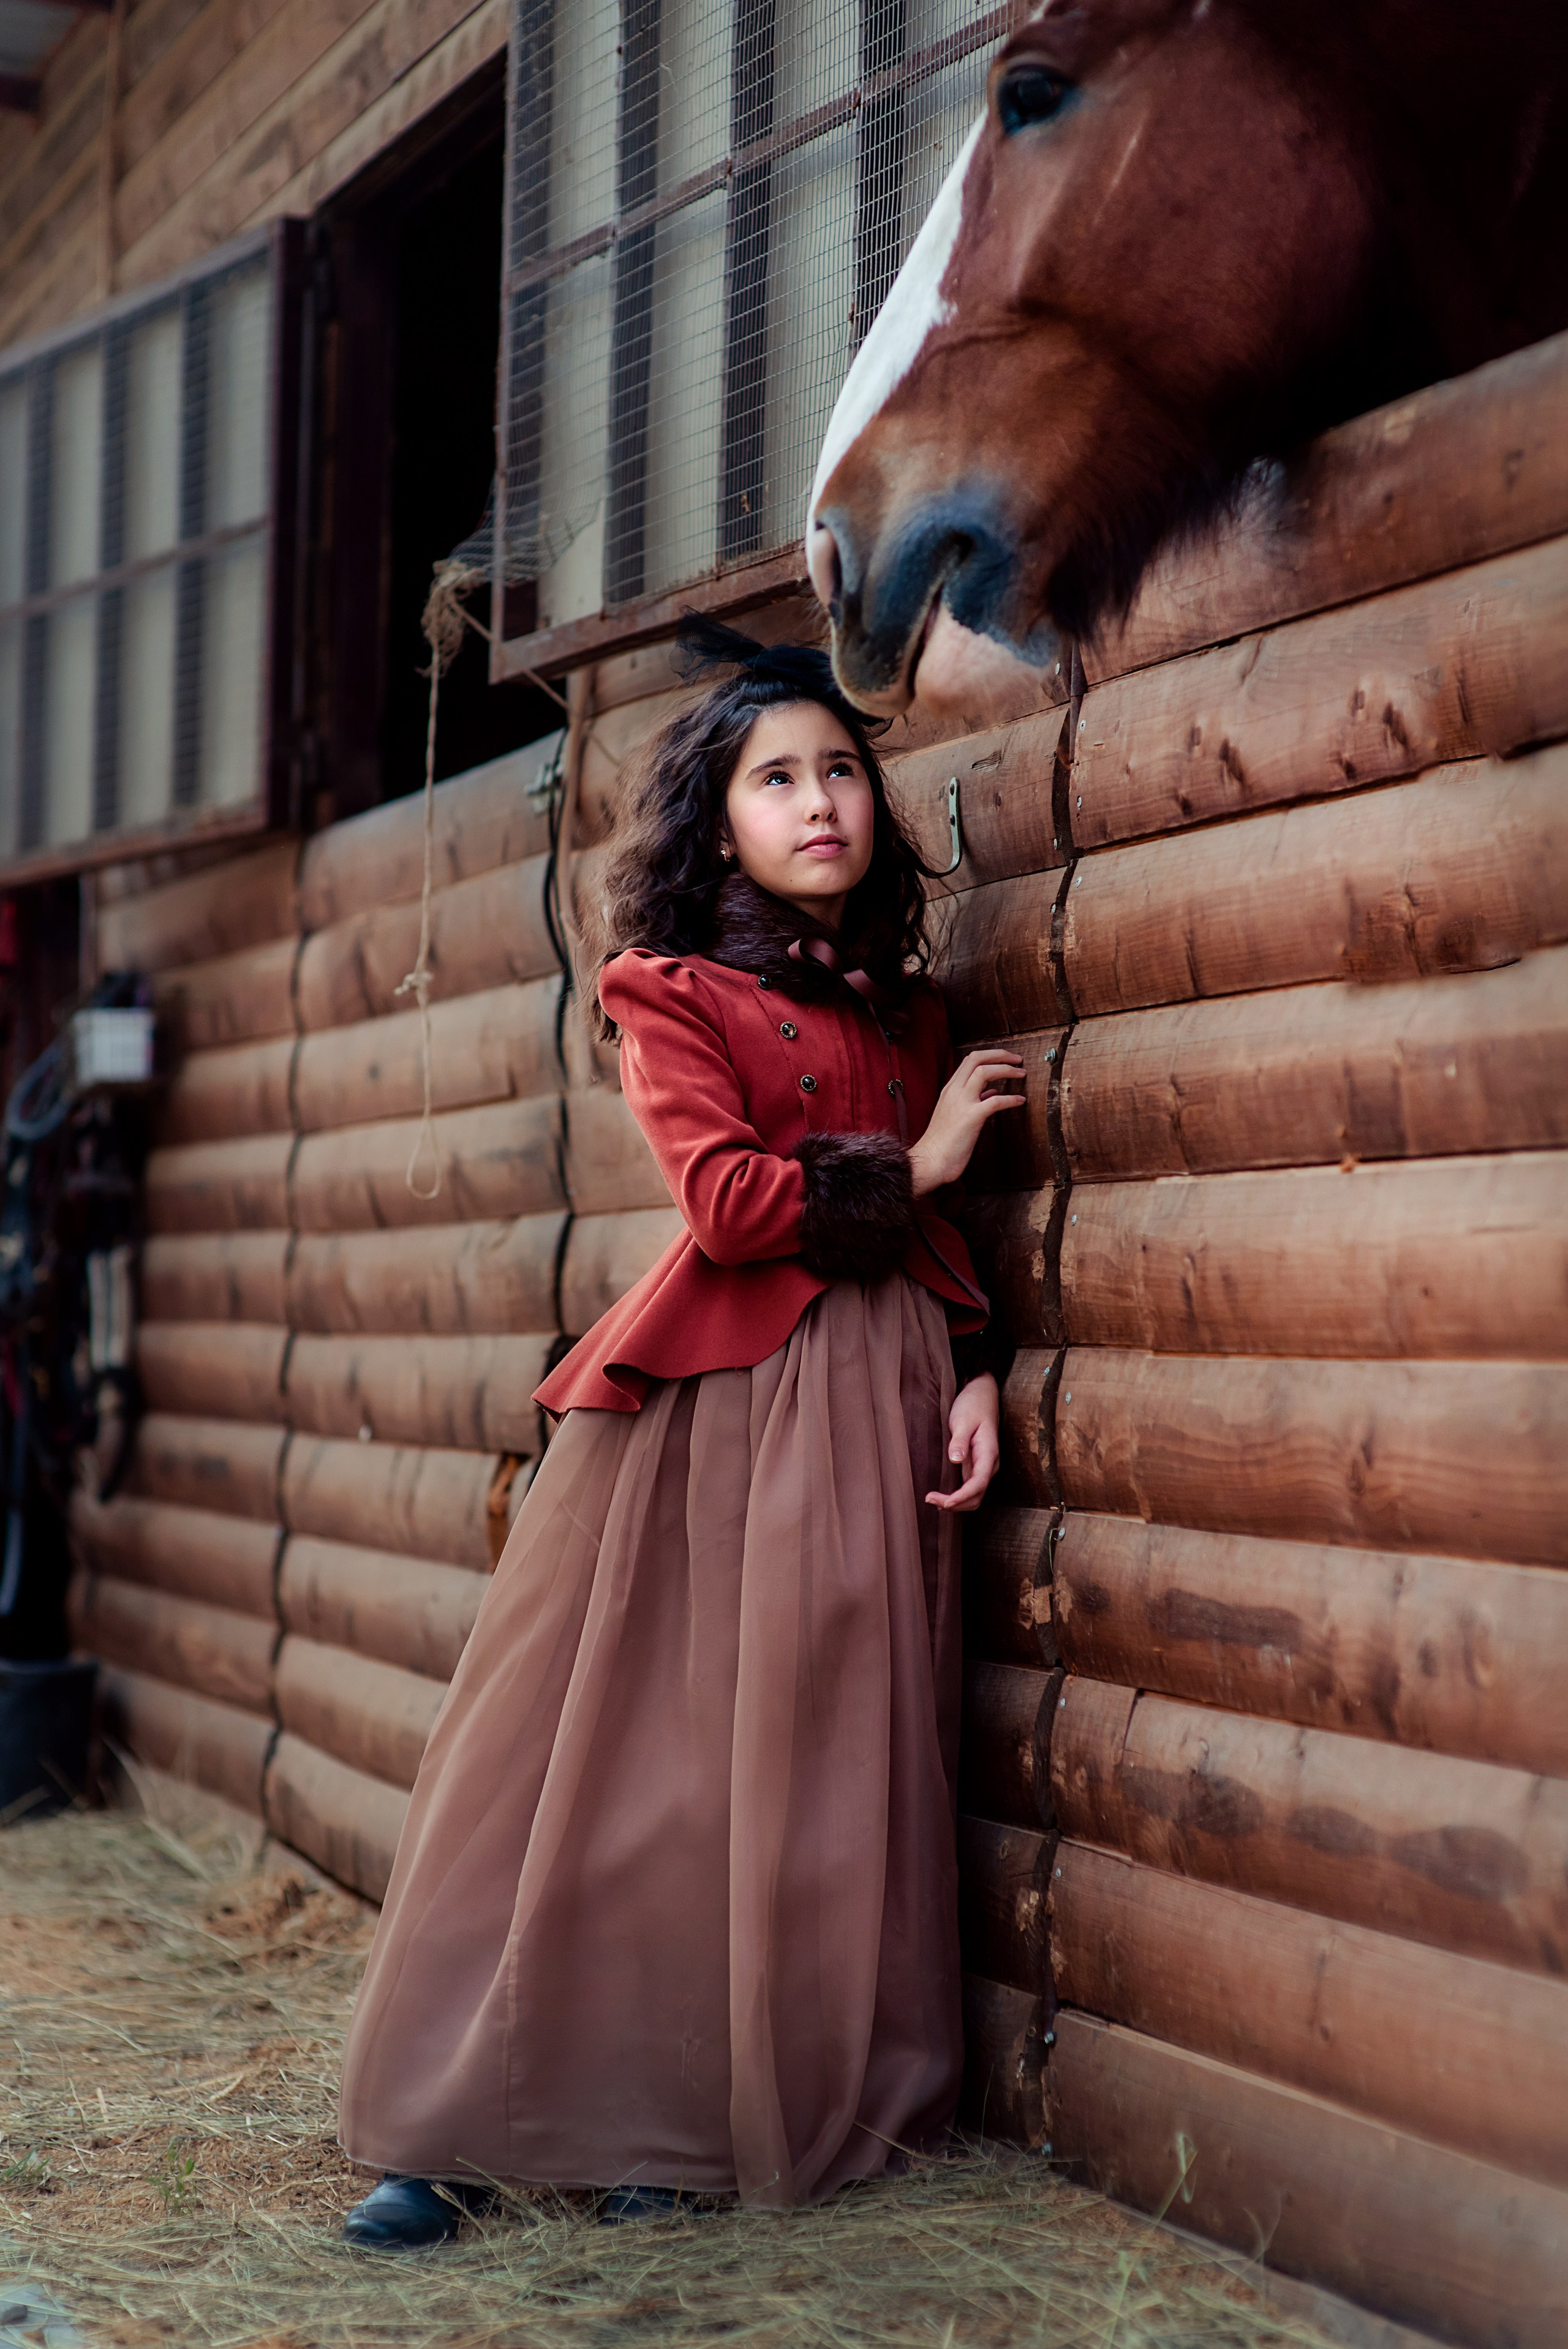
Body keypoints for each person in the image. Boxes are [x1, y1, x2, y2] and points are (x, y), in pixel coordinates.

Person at [337, 620, 1025, 2247]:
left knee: (800, 1771)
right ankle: (456, 2119)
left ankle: (691, 2121)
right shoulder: (669, 990)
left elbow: (941, 1243)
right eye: (775, 779)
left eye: (840, 771)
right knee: (609, 1763)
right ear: (717, 825)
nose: (819, 802)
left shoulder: (911, 1016)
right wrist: (918, 1162)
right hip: (714, 1416)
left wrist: (979, 1367)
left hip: (879, 1411)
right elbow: (725, 1205)